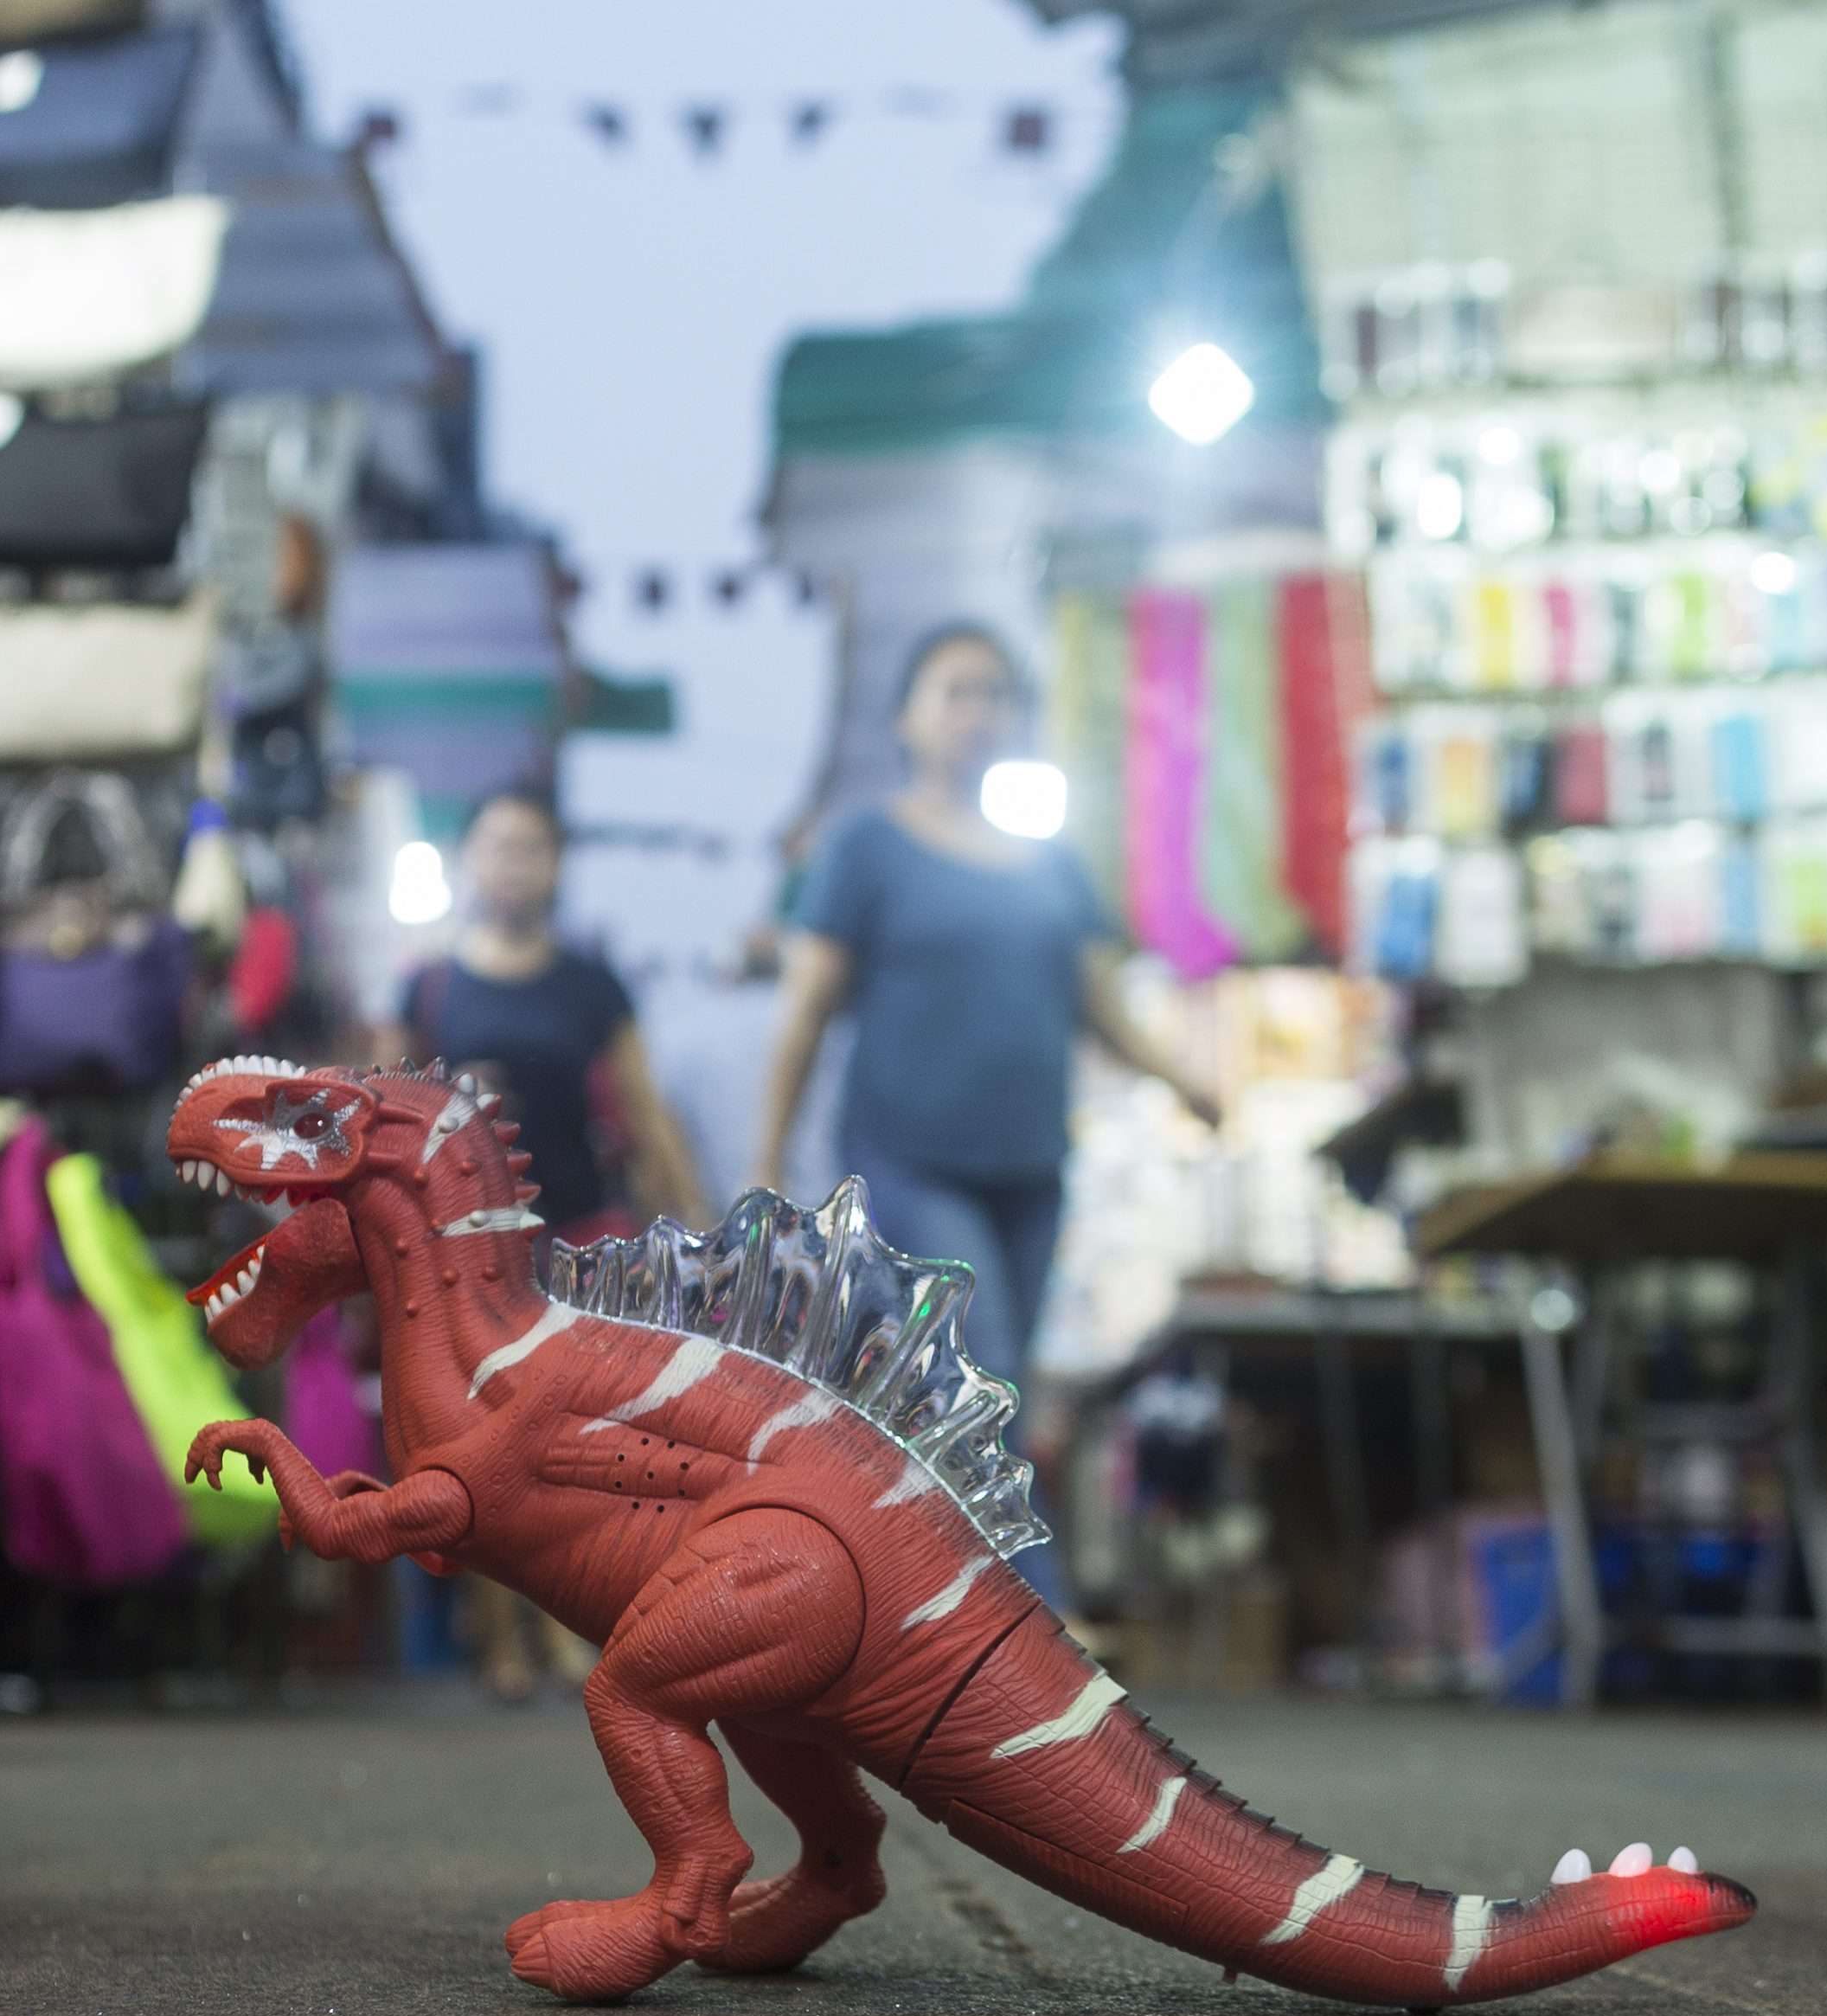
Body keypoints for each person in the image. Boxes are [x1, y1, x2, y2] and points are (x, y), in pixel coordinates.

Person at [753, 623, 1220, 1613]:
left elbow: (1101, 1004)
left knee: (975, 1392)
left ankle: (920, 1610)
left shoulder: (1052, 865)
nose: (981, 711)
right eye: (958, 690)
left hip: (1031, 1167)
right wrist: (766, 1166)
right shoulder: (865, 846)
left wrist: (1185, 1078)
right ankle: (1026, 1619)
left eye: (998, 694)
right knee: (985, 1375)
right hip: (910, 1157)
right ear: (907, 718)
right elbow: (802, 1015)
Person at [375, 784, 712, 1698]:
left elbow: (644, 1110)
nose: (514, 863)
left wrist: (699, 1221)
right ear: (469, 861)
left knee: (580, 1451)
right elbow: (386, 1120)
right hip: (469, 1250)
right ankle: (500, 1638)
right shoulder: (431, 985)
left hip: (580, 1238)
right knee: (485, 1449)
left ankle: (574, 1624)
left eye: (532, 846)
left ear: (557, 864)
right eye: (498, 845)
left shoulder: (590, 984)